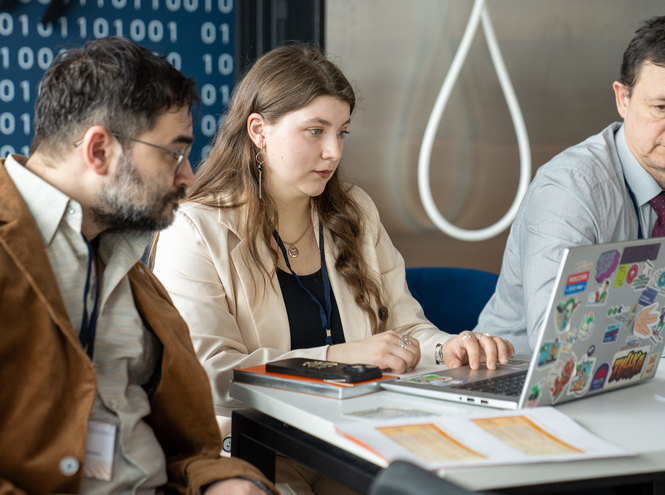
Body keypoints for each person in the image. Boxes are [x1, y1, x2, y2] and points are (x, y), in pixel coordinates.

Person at [152, 44, 514, 494]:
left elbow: (404, 331)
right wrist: (337, 358)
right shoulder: (193, 228)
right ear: (259, 130)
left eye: (341, 132)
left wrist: (450, 348)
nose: (333, 152)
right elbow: (207, 376)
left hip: (352, 440)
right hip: (249, 447)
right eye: (315, 131)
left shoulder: (355, 211)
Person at [0, 37, 275, 495]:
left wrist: (220, 481)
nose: (188, 177)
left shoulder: (127, 257)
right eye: (174, 153)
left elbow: (187, 448)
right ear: (99, 151)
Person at [474, 15, 665, 354]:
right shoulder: (569, 190)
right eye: (661, 107)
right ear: (623, 99)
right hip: (522, 375)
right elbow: (559, 340)